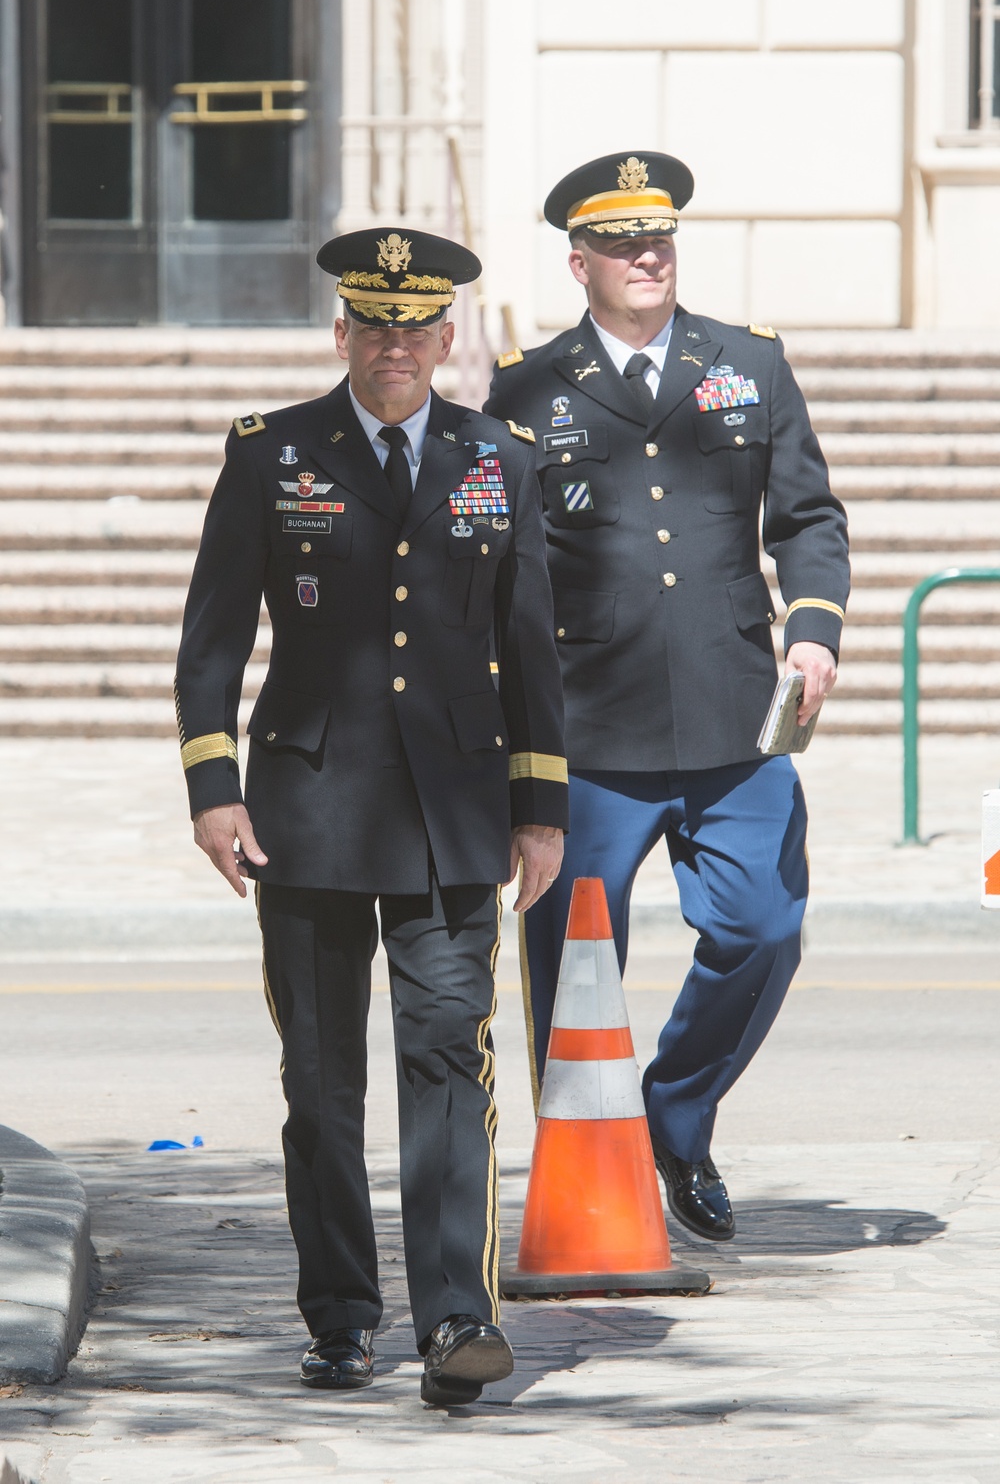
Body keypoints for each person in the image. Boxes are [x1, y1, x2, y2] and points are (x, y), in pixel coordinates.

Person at [174, 227, 567, 1404]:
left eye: (417, 327)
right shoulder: (271, 451)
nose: (396, 346)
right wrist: (213, 785)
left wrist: (539, 809)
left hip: (454, 815)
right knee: (322, 1080)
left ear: (448, 340)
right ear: (342, 333)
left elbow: (530, 646)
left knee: (450, 1060)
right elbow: (211, 639)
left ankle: (456, 1322)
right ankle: (341, 1313)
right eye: (374, 324)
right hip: (309, 810)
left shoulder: (501, 457)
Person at [485, 151, 849, 1243]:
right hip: (589, 727)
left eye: (663, 238)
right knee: (568, 961)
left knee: (763, 927)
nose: (650, 256)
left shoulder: (747, 364)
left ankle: (677, 1113)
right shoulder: (525, 388)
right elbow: (501, 563)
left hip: (735, 715)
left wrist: (814, 630)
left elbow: (806, 520)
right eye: (624, 242)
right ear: (579, 260)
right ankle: (584, 1174)